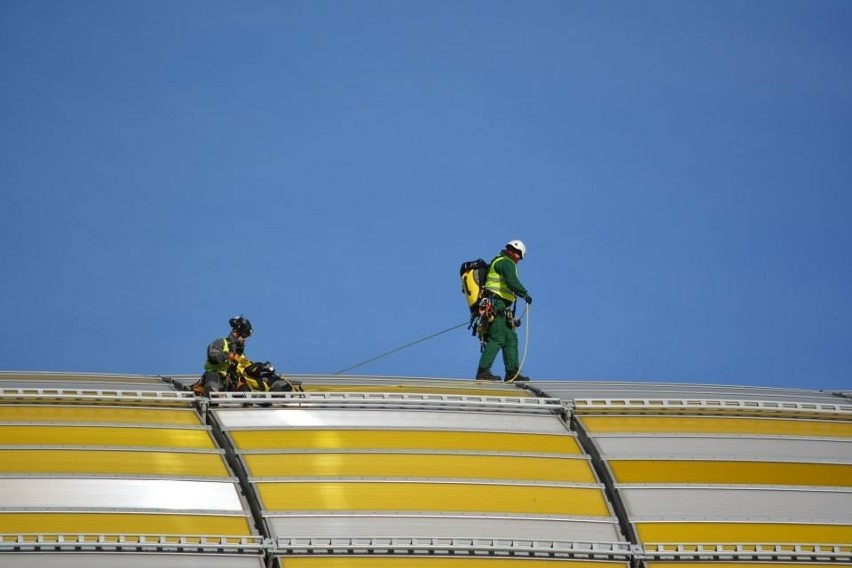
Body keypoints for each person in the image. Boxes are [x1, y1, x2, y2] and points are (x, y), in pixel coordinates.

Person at [476, 240, 532, 382]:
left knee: (510, 338)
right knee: (498, 338)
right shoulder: (506, 262)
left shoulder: (501, 261)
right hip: (496, 305)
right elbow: (511, 281)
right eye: (518, 255)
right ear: (513, 252)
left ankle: (512, 373)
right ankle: (483, 372)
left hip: (501, 308)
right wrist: (524, 294)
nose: (519, 258)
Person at [192, 316, 253, 396]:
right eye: (244, 336)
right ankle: (212, 393)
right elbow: (213, 356)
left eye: (246, 337)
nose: (245, 339)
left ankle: (248, 397)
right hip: (214, 376)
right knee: (213, 382)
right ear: (235, 332)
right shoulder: (220, 343)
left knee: (245, 387)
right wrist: (229, 355)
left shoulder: (241, 353)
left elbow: (246, 365)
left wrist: (256, 368)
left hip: (229, 383)